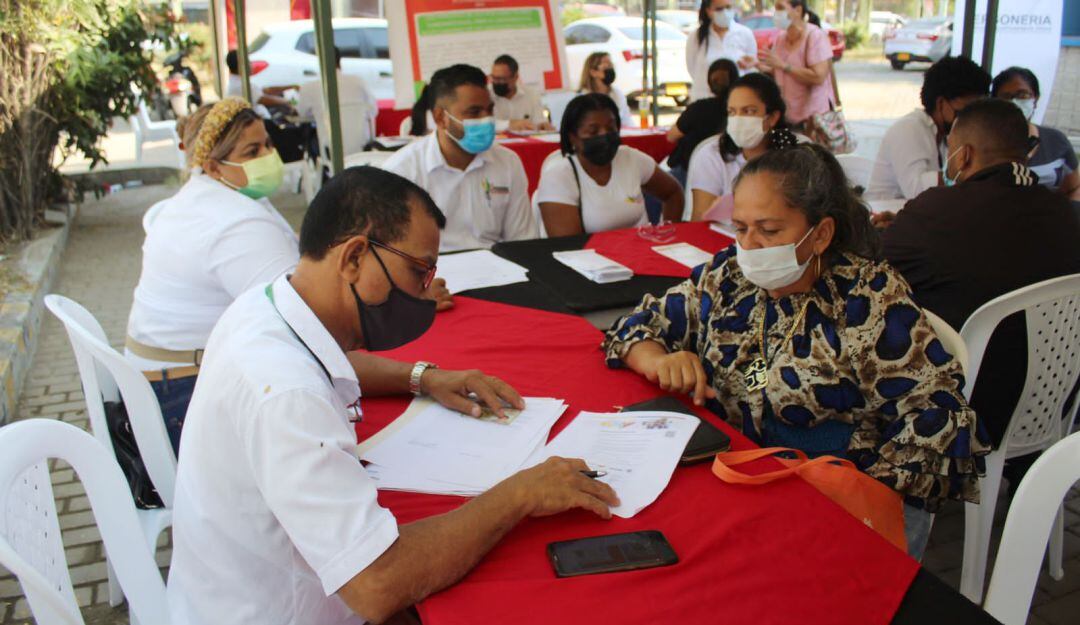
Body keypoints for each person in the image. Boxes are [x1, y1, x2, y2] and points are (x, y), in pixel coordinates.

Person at [167, 166, 620, 625]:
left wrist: (423, 378)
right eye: (418, 272)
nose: (426, 293)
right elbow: (378, 584)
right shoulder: (288, 395)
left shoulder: (265, 306)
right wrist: (520, 495)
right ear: (354, 257)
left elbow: (328, 362)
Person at [603, 143, 989, 559]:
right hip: (738, 480)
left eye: (769, 231)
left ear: (820, 234)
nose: (749, 246)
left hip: (830, 498)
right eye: (740, 228)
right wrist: (658, 359)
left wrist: (857, 496)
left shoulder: (866, 300)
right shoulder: (729, 277)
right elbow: (636, 326)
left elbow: (937, 417)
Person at [126, 99, 452, 453]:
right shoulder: (235, 223)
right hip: (179, 397)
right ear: (212, 165)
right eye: (252, 150)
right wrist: (421, 375)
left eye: (267, 143)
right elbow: (312, 331)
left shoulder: (211, 198)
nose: (269, 155)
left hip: (158, 381)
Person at [881, 98, 1080, 449]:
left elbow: (876, 268)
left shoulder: (936, 212)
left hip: (966, 410)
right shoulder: (1067, 213)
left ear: (965, 155)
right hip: (1056, 401)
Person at [384, 64, 537, 251]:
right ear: (441, 118)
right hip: (432, 273)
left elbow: (522, 241)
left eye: (489, 110)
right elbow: (394, 251)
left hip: (497, 269)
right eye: (474, 112)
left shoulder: (507, 162)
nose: (487, 119)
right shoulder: (402, 171)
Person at [535, 93, 683, 236]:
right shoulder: (558, 177)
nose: (604, 136)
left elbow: (673, 193)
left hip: (642, 255)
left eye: (611, 129)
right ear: (573, 138)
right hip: (591, 259)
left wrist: (667, 234)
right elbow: (569, 248)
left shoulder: (631, 159)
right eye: (593, 131)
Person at [866, 56, 990, 201]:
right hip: (882, 216)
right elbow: (916, 190)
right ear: (941, 103)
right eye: (965, 111)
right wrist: (964, 171)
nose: (971, 119)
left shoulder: (943, 135)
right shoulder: (909, 129)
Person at [686, 73, 801, 222]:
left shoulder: (797, 153)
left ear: (772, 117)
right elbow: (699, 222)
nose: (738, 120)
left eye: (749, 111)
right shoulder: (712, 154)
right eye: (732, 112)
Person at [991, 66, 1080, 200]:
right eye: (1006, 97)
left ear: (1036, 98)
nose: (1015, 102)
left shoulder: (1056, 141)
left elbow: (1074, 188)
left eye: (1022, 95)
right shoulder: (983, 142)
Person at [754, 0, 833, 132]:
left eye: (781, 8)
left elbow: (818, 76)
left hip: (811, 122)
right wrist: (757, 65)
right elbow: (779, 72)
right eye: (776, 8)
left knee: (809, 152)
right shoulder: (780, 38)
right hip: (787, 118)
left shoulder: (814, 36)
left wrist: (784, 66)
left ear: (798, 10)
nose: (776, 13)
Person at [666, 58, 739, 190]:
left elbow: (671, 136)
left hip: (689, 174)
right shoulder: (741, 112)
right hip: (730, 175)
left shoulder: (698, 108)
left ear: (709, 83)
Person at [297, 47, 378, 155]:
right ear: (340, 61)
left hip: (330, 151)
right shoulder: (358, 81)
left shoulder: (309, 88)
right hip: (362, 147)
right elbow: (373, 111)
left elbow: (302, 114)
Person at [685, 0, 757, 102]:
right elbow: (692, 68)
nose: (725, 12)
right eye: (719, 9)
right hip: (704, 100)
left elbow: (751, 68)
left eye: (728, 7)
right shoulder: (696, 37)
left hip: (736, 101)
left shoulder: (745, 34)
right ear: (708, 11)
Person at [490, 54, 554, 132]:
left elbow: (538, 121)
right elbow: (482, 124)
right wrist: (509, 124)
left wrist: (542, 125)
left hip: (526, 142)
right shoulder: (486, 95)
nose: (496, 82)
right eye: (494, 78)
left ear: (515, 77)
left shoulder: (531, 94)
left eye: (502, 79)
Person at [225, 50, 295, 116]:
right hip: (261, 122)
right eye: (248, 62)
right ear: (241, 65)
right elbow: (263, 99)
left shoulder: (237, 82)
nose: (251, 65)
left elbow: (265, 91)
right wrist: (286, 101)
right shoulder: (242, 85)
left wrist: (290, 87)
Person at [577, 52, 632, 128]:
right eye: (607, 65)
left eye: (611, 65)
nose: (611, 68)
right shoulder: (582, 98)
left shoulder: (617, 94)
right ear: (593, 72)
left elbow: (628, 121)